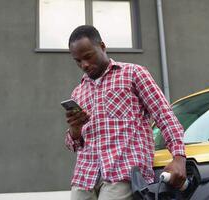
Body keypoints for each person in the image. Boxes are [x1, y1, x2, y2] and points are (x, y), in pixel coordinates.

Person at [65, 25, 186, 200]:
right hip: (85, 177)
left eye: (88, 57)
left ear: (103, 47)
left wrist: (179, 157)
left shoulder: (133, 74)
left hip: (123, 172)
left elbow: (164, 114)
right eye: (78, 61)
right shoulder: (78, 92)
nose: (84, 64)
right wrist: (75, 130)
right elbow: (74, 144)